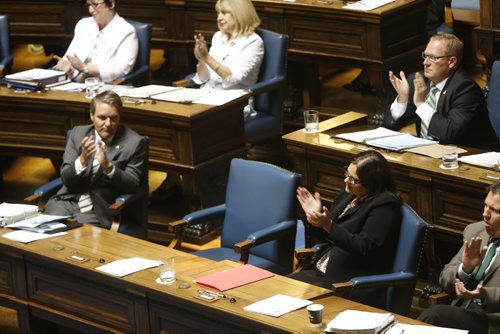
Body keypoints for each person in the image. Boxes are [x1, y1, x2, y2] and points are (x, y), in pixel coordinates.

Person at [288, 150, 402, 309]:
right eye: (346, 173)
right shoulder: (348, 194)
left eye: (353, 179)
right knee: (277, 291)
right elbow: (328, 236)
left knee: (288, 305)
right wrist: (315, 218)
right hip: (322, 269)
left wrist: (328, 225)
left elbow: (363, 247)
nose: (346, 180)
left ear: (372, 183)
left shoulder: (385, 205)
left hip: (347, 281)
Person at [44, 90, 147, 229]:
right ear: (92, 116)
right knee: (47, 235)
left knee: (78, 240)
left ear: (119, 117)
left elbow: (133, 183)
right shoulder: (78, 133)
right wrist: (82, 160)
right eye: (102, 117)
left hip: (98, 210)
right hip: (66, 201)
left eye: (113, 118)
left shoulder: (134, 142)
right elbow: (66, 178)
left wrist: (108, 166)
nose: (108, 124)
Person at [384, 33, 498, 150]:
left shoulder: (465, 89)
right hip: (429, 154)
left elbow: (448, 134)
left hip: (473, 158)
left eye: (433, 58)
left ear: (452, 62)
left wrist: (421, 104)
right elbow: (390, 125)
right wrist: (402, 99)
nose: (425, 62)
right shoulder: (418, 80)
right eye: (425, 56)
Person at [418, 181, 500, 334]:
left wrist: (484, 294)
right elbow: (444, 279)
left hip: (492, 320)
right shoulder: (476, 231)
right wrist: (465, 269)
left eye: (494, 210)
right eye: (486, 205)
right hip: (461, 310)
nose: (485, 214)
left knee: (435, 315)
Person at [191, 0, 263, 117]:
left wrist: (207, 57)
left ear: (239, 13)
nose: (219, 18)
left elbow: (232, 79)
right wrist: (201, 59)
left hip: (233, 103)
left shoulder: (253, 42)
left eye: (224, 13)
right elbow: (204, 78)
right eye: (218, 13)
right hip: (205, 96)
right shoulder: (218, 36)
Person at [53, 0, 138, 83]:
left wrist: (85, 68)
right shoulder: (83, 24)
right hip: (74, 82)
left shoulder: (126, 31)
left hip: (105, 86)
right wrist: (68, 67)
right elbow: (70, 56)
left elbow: (121, 69)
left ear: (111, 4)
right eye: (88, 5)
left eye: (95, 4)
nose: (90, 10)